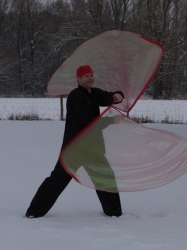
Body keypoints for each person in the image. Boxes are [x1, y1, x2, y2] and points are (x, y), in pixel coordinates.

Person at [25, 65, 125, 218]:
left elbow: (106, 97)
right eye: (86, 76)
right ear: (78, 79)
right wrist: (111, 120)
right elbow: (89, 122)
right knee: (58, 180)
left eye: (91, 75)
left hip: (93, 149)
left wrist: (117, 96)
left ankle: (114, 212)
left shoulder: (94, 93)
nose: (90, 78)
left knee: (105, 176)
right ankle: (34, 211)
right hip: (75, 149)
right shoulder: (75, 96)